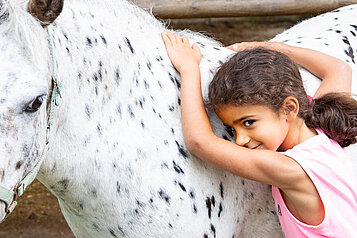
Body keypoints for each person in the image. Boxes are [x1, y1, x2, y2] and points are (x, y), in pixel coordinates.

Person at [161, 30, 357, 237]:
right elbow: (339, 69)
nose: (240, 139)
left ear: (289, 108)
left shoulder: (291, 170)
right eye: (231, 129)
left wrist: (189, 69)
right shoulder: (321, 125)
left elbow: (199, 142)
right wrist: (274, 49)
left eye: (248, 122)